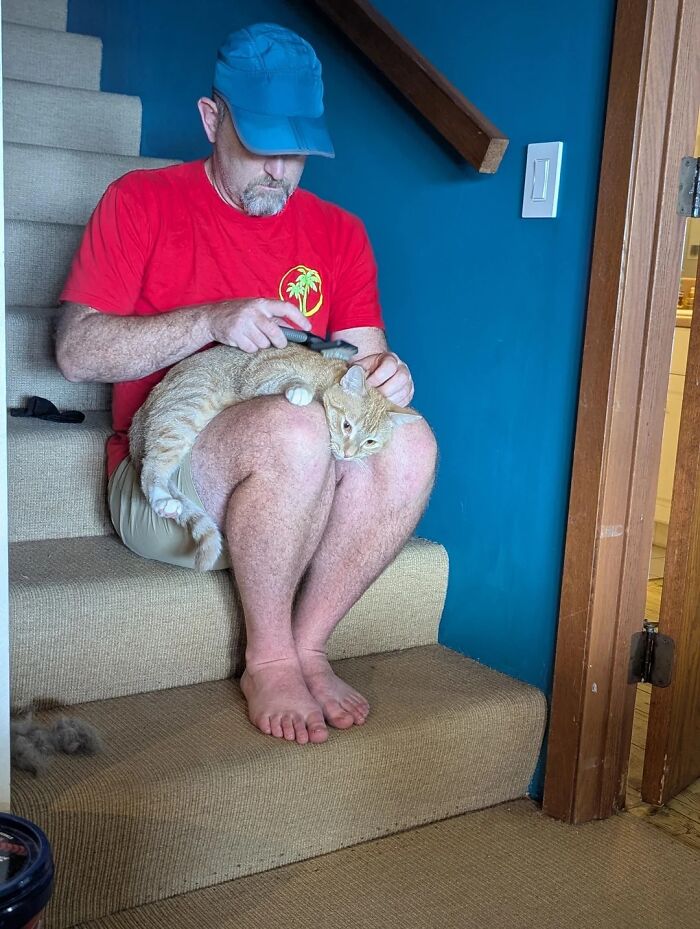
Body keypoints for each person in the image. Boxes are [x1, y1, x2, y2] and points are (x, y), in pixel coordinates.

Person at [56, 23, 437, 746]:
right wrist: (210, 320)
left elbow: (362, 372)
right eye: (263, 148)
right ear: (211, 118)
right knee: (292, 428)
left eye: (298, 153)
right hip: (168, 481)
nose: (281, 173)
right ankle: (266, 656)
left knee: (413, 441)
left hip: (299, 488)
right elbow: (75, 352)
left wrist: (393, 375)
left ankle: (309, 642)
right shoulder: (138, 202)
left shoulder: (340, 234)